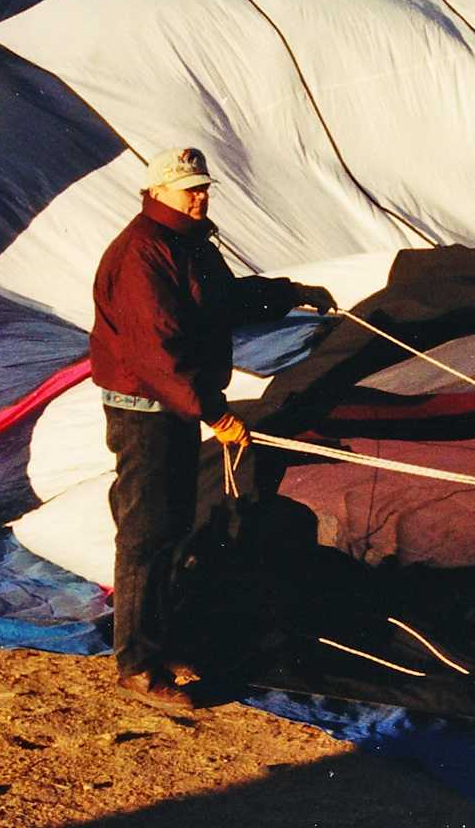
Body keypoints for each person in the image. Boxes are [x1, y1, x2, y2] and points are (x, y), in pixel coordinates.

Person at [90, 147, 335, 709]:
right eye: (188, 189)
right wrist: (216, 415)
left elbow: (224, 300)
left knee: (175, 525)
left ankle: (163, 640)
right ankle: (136, 665)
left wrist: (291, 293)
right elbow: (157, 354)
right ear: (157, 194)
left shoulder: (186, 244)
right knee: (146, 533)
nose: (200, 196)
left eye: (203, 187)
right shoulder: (143, 256)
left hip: (173, 405)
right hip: (145, 410)